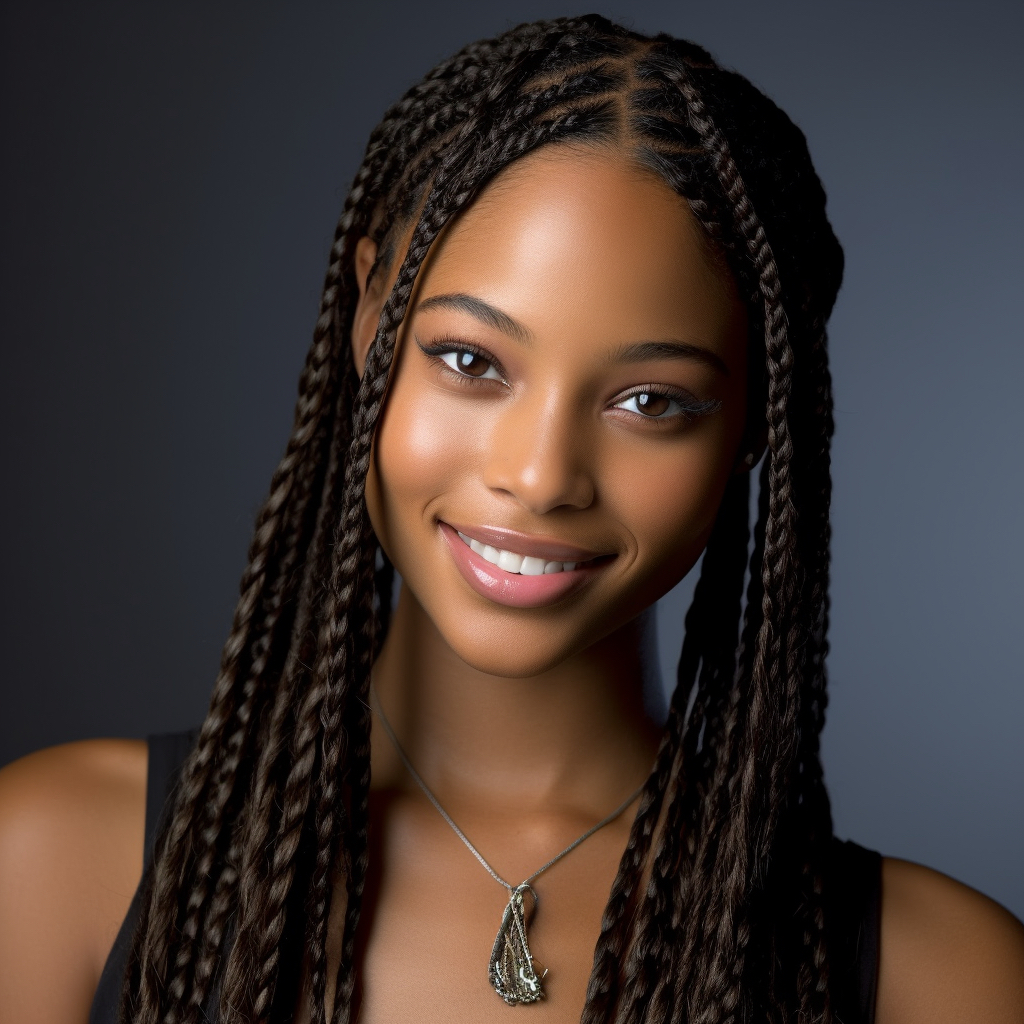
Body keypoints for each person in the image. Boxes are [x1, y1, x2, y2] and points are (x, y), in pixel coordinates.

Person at [0, 14, 1021, 1024]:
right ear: (369, 319)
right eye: (470, 361)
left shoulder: (940, 980)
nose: (539, 477)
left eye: (650, 401)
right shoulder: (53, 862)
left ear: (754, 420)